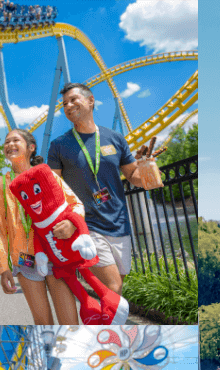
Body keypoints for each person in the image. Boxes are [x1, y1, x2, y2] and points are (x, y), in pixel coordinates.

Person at [48, 83, 148, 299]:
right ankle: (106, 332)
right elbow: (53, 188)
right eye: (65, 103)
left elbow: (133, 176)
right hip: (87, 225)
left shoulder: (115, 138)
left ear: (91, 100)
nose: (69, 106)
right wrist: (69, 220)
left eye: (74, 100)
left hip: (119, 223)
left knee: (116, 290)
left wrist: (147, 166)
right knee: (112, 286)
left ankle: (102, 328)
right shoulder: (59, 145)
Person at [0, 129, 81, 324]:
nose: (9, 144)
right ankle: (48, 354)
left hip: (57, 255)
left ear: (31, 148)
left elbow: (75, 204)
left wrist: (72, 224)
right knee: (42, 321)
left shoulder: (46, 175)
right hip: (25, 259)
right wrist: (3, 267)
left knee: (70, 321)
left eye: (15, 140)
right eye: (6, 142)